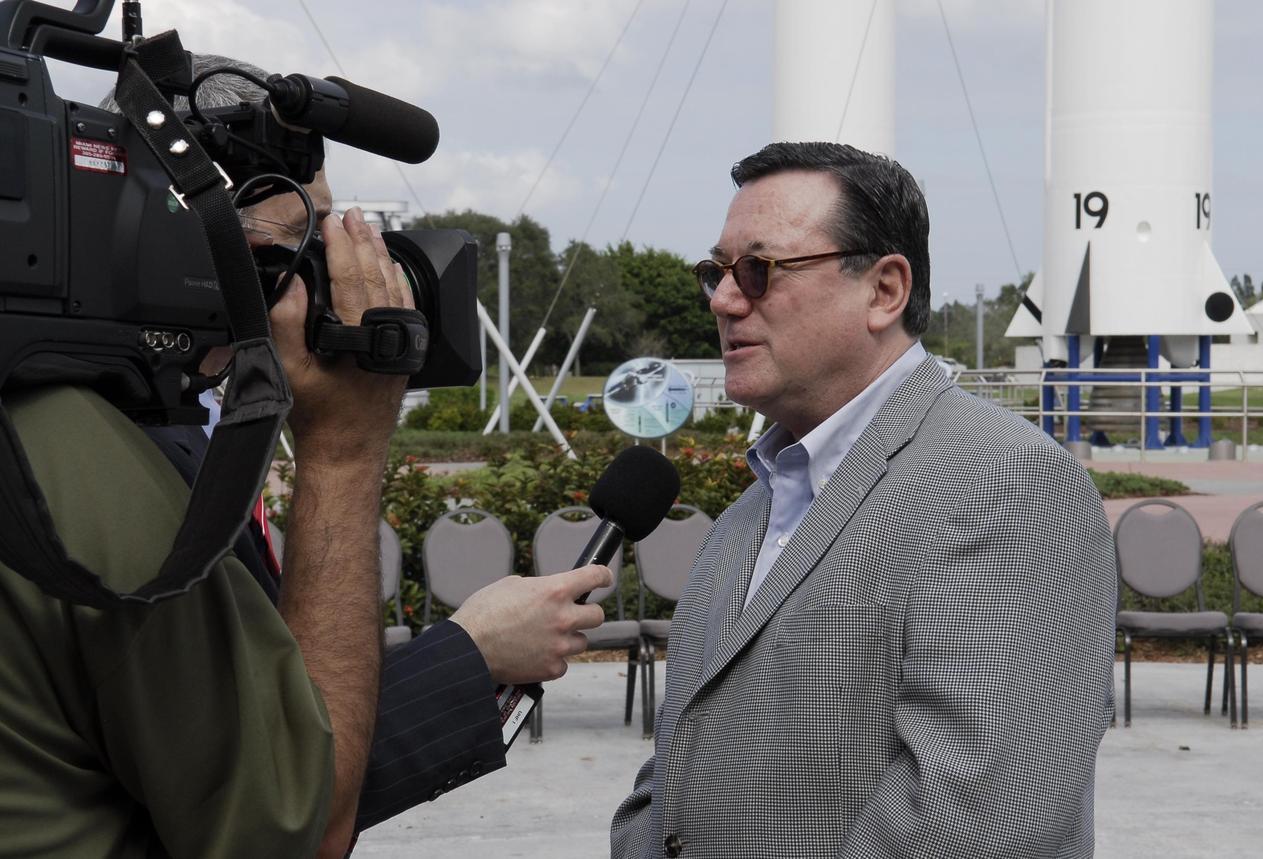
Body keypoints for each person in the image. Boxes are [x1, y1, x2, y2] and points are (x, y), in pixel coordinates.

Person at [0, 59, 610, 859]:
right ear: (191, 233)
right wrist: (347, 452)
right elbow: (288, 822)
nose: (326, 280)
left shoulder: (119, 416)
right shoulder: (88, 458)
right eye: (300, 246)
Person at [611, 142, 1116, 858]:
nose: (724, 300)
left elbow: (975, 823)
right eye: (715, 272)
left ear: (884, 290)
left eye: (759, 270)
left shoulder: (1006, 483)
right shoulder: (753, 507)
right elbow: (683, 759)